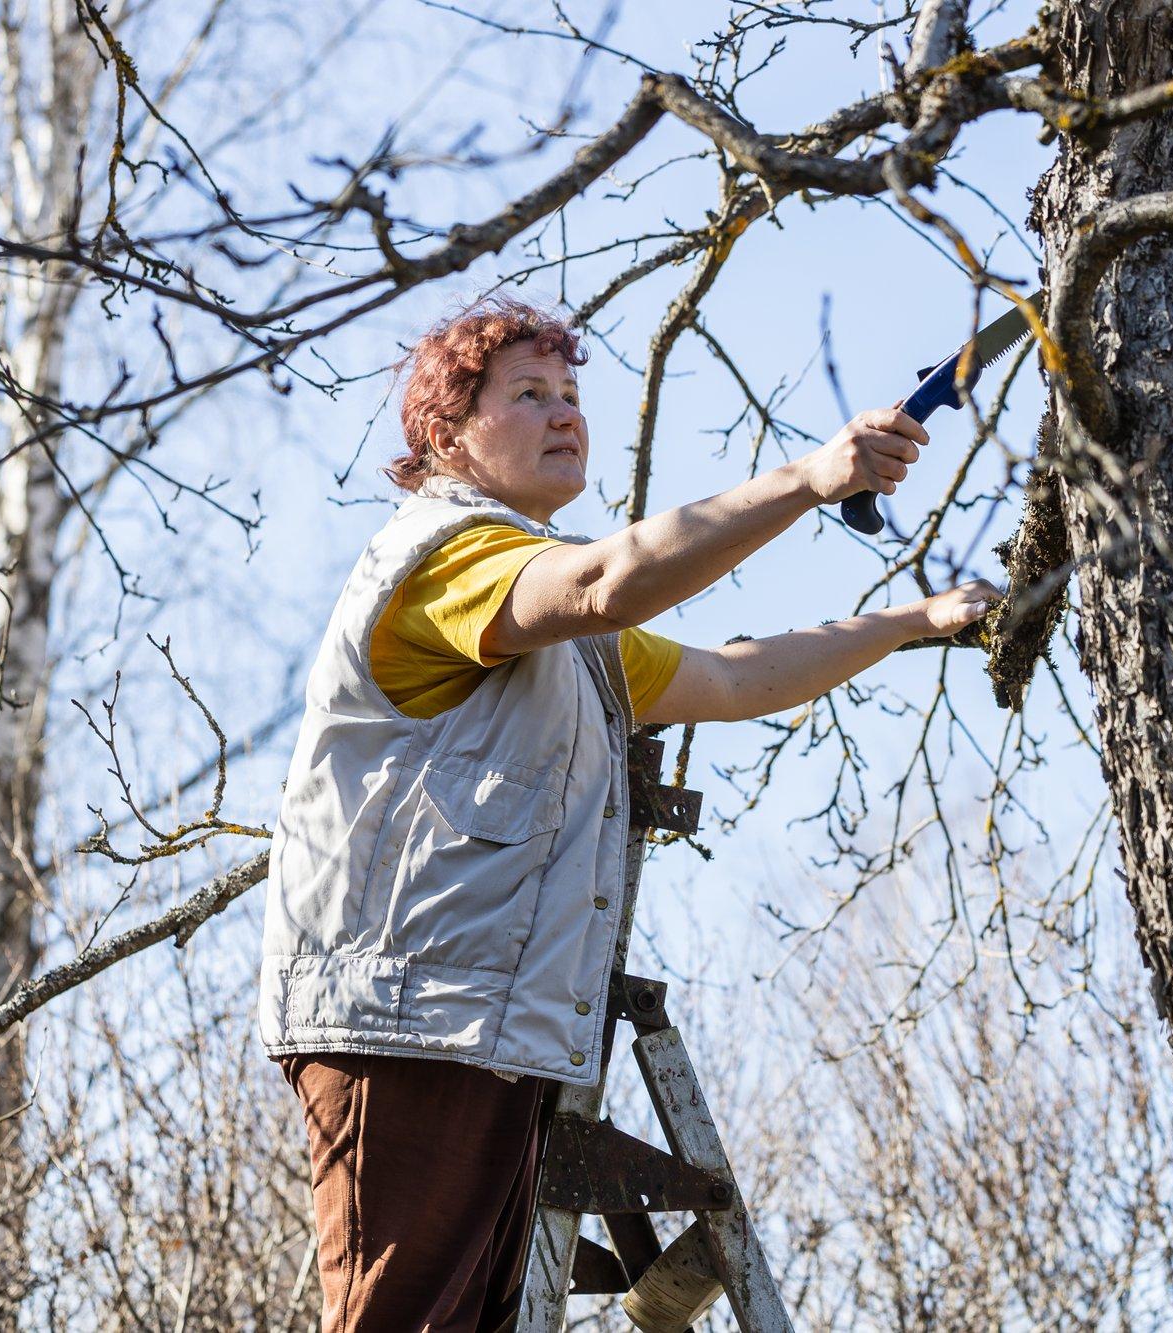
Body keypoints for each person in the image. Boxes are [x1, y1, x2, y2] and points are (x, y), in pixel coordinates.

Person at [258, 294, 997, 1332]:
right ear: (445, 434)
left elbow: (733, 680)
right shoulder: (447, 558)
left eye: (569, 393)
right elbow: (608, 580)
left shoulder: (561, 641)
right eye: (526, 394)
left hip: (490, 1030)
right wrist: (805, 478)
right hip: (409, 1023)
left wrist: (914, 620)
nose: (565, 413)